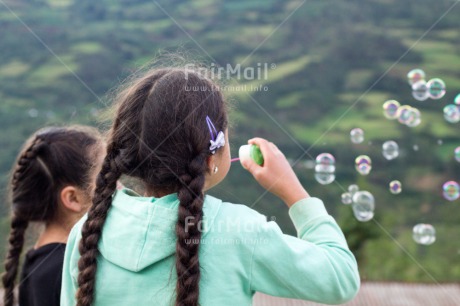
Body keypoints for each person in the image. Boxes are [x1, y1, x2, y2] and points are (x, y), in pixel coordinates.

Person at [62, 67, 360, 306]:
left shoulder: (88, 231)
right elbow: (340, 280)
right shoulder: (239, 230)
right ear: (212, 155)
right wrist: (294, 193)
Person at [2, 126, 104, 306]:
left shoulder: (41, 262)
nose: (118, 187)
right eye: (106, 179)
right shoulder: (60, 270)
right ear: (73, 198)